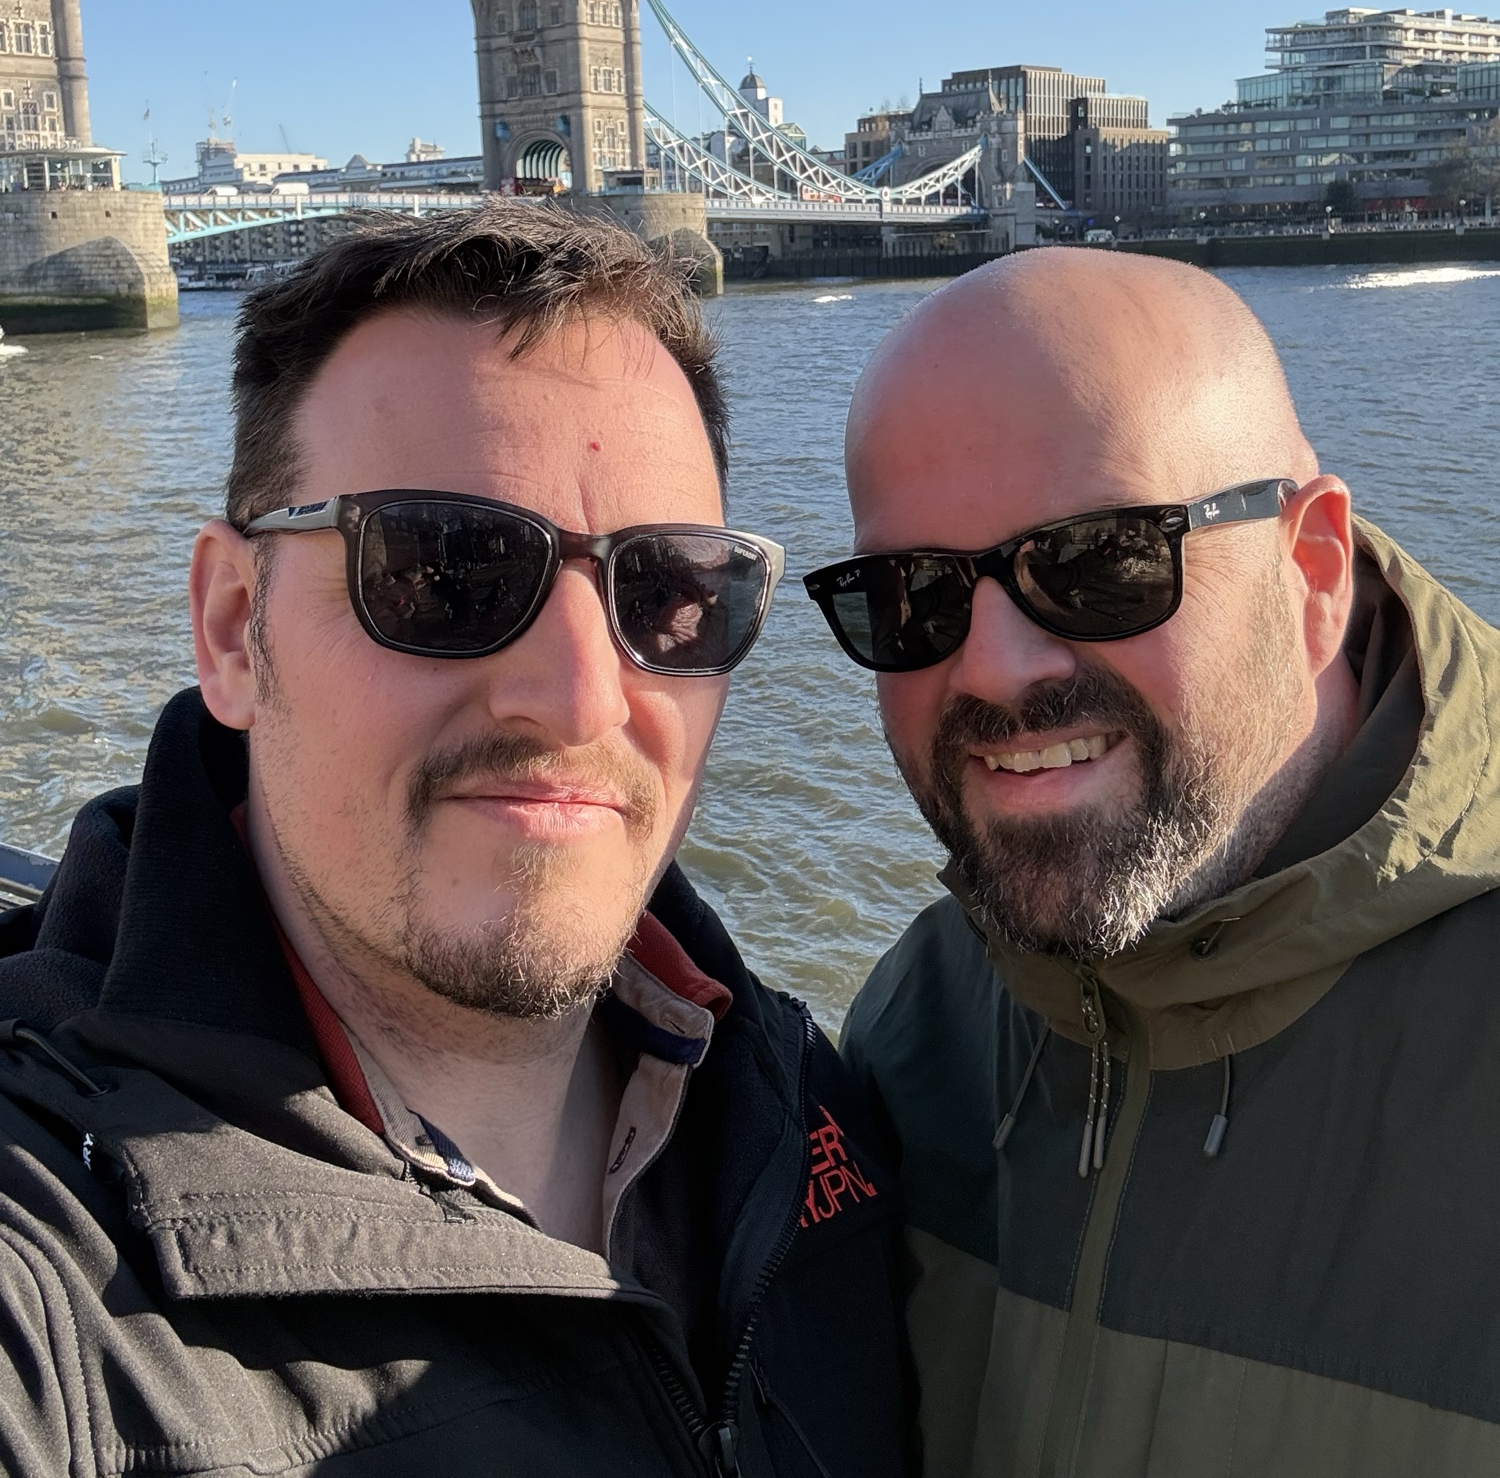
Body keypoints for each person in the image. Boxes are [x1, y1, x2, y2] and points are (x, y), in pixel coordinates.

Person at [0, 203, 911, 1476]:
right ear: (231, 626)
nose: (583, 698)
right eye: (445, 569)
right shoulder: (48, 1279)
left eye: (668, 592)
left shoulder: (818, 1106)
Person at [810, 246, 1500, 1478]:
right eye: (912, 594)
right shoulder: (916, 1026)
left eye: (1100, 561)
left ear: (1313, 568)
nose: (993, 667)